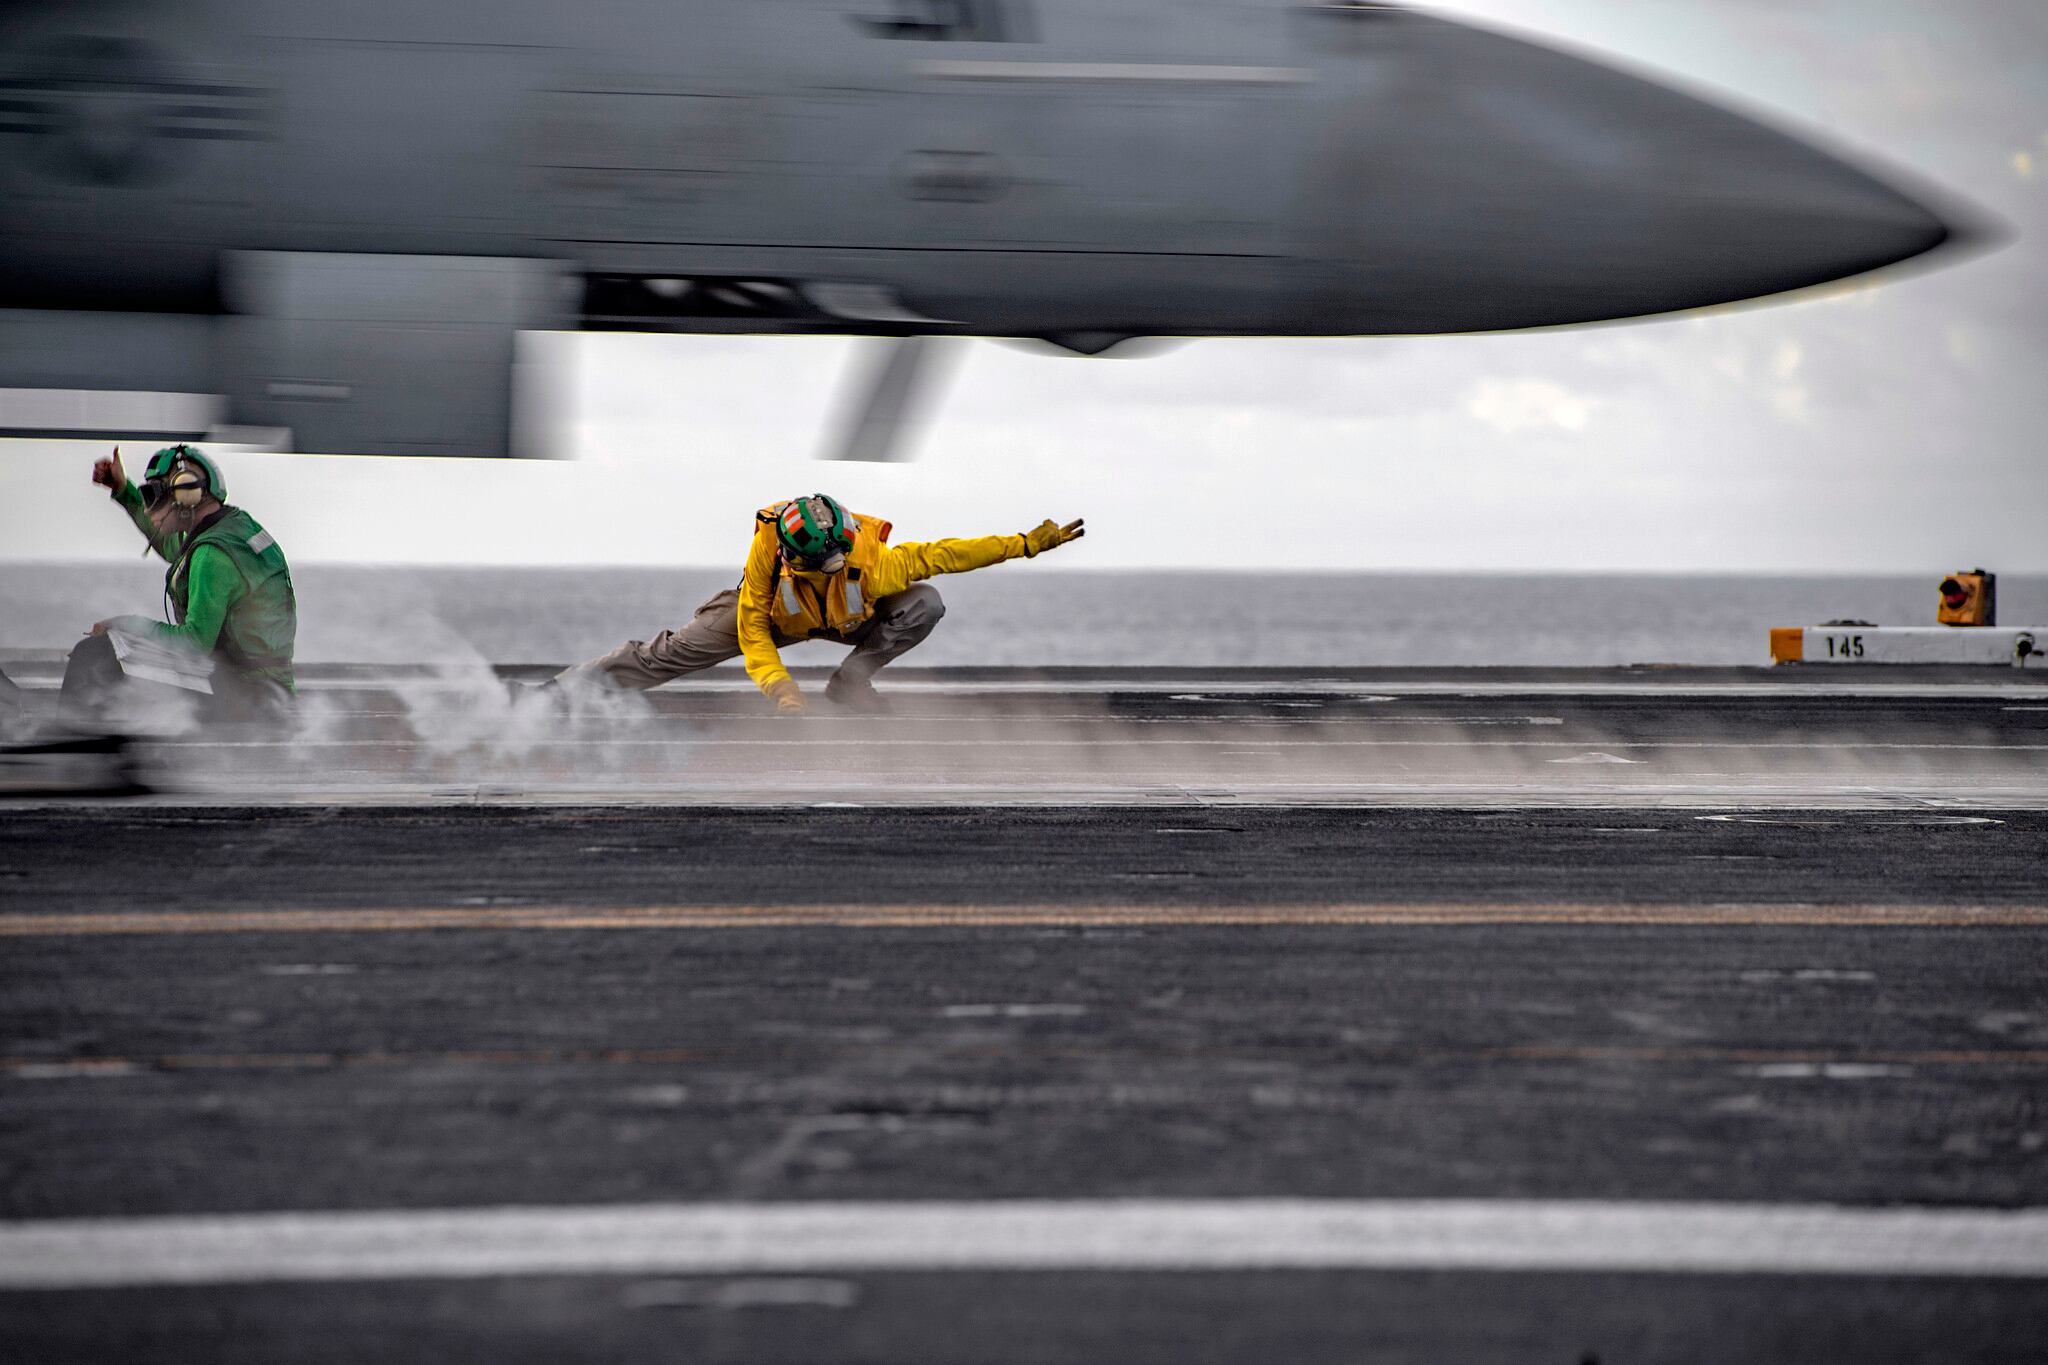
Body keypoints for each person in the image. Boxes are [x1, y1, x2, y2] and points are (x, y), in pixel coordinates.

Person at [555, 495, 1084, 712]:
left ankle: (850, 684)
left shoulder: (876, 564)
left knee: (925, 602)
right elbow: (753, 633)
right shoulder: (769, 553)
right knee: (663, 655)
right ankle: (561, 694)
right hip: (772, 615)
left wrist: (1026, 543)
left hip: (846, 618)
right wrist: (781, 689)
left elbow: (947, 554)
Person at [61, 445, 297, 726]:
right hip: (264, 692)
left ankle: (72, 736)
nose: (149, 511)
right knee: (108, 659)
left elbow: (194, 643)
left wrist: (127, 624)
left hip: (250, 701)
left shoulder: (212, 557)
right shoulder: (231, 528)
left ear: (186, 496)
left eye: (154, 498)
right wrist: (124, 490)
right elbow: (172, 544)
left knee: (97, 655)